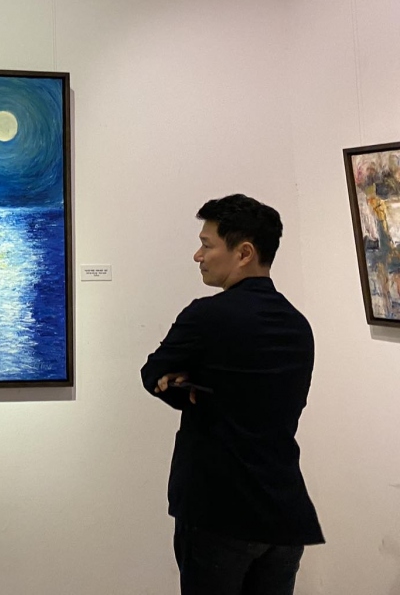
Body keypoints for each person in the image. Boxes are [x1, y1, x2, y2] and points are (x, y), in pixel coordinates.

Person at [141, 194, 322, 595]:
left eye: (207, 245)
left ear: (243, 253)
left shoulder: (206, 316)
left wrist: (185, 385)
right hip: (283, 511)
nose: (198, 256)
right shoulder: (298, 325)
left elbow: (152, 374)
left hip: (219, 510)